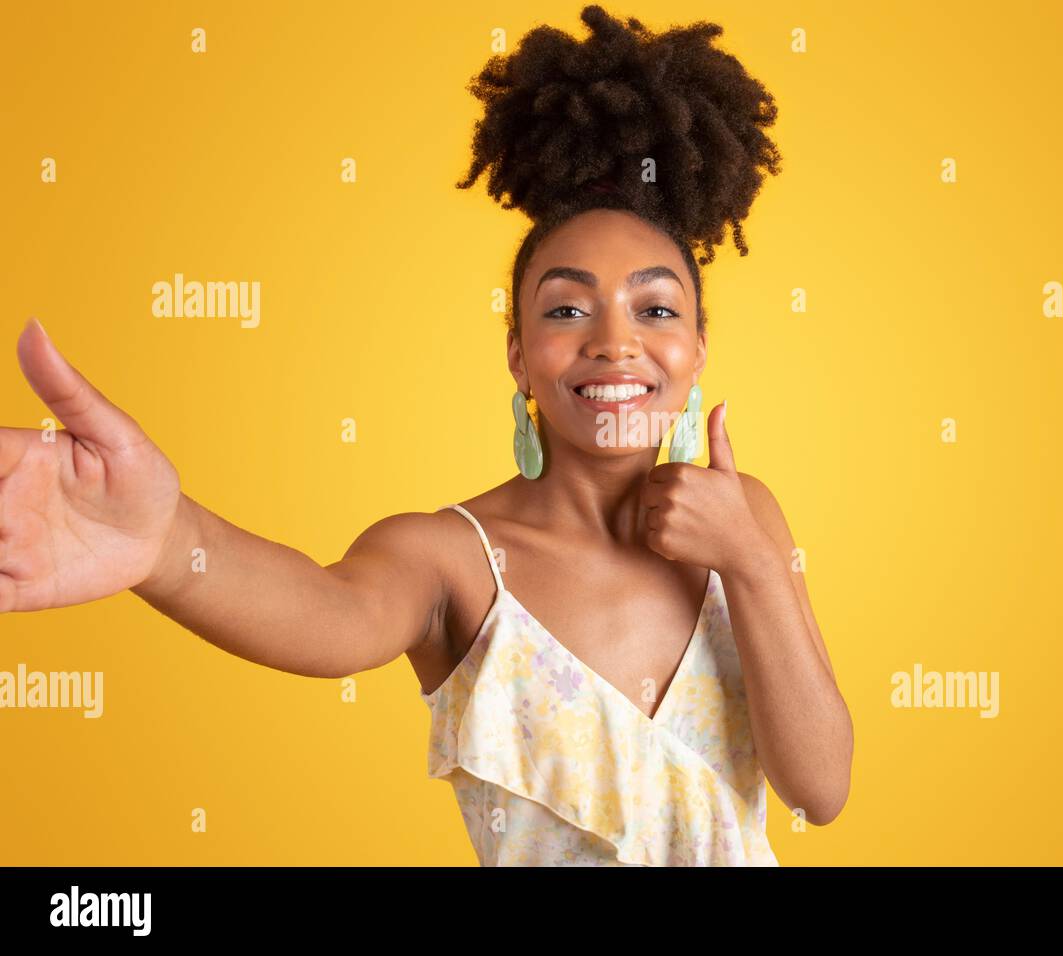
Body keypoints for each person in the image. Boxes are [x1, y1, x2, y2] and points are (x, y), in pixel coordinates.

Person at [0, 4, 852, 866]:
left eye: (655, 307)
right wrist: (164, 539)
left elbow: (820, 790)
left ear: (697, 346)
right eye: (566, 308)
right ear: (519, 354)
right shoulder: (453, 560)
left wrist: (750, 560)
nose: (614, 341)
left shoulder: (747, 521)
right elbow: (327, 615)